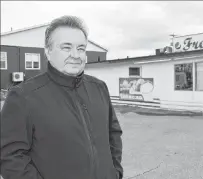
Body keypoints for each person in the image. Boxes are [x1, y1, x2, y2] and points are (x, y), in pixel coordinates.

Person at [1, 16, 123, 179]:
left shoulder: (99, 88)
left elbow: (113, 135)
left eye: (81, 48)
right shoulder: (23, 97)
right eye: (66, 47)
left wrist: (115, 173)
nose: (76, 55)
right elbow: (10, 157)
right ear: (48, 51)